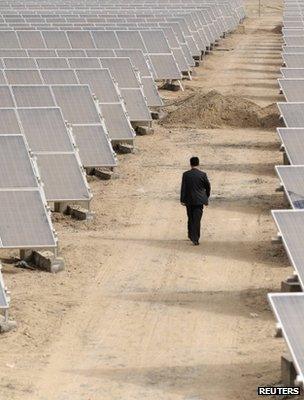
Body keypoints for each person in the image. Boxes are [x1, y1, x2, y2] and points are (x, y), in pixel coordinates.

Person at [180, 157, 211, 245]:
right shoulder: (203, 174)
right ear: (198, 163)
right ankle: (195, 238)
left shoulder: (186, 174)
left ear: (190, 164)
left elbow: (183, 188)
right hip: (199, 201)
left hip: (189, 200)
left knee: (190, 218)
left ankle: (190, 235)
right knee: (197, 219)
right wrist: (206, 196)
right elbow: (208, 186)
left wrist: (182, 199)